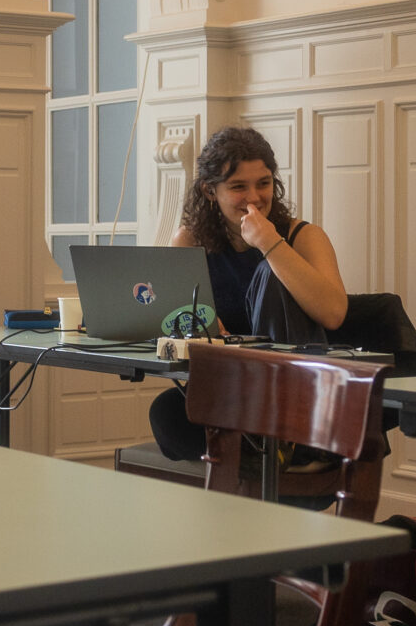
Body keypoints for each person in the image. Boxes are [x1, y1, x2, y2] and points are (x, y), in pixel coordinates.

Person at [147, 126, 351, 460]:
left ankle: (278, 444)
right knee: (166, 413)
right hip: (227, 388)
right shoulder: (190, 240)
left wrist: (270, 243)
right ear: (210, 191)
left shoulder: (304, 236)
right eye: (238, 187)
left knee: (269, 273)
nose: (254, 197)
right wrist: (209, 330)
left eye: (264, 183)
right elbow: (179, 321)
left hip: (298, 393)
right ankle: (254, 459)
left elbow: (333, 313)